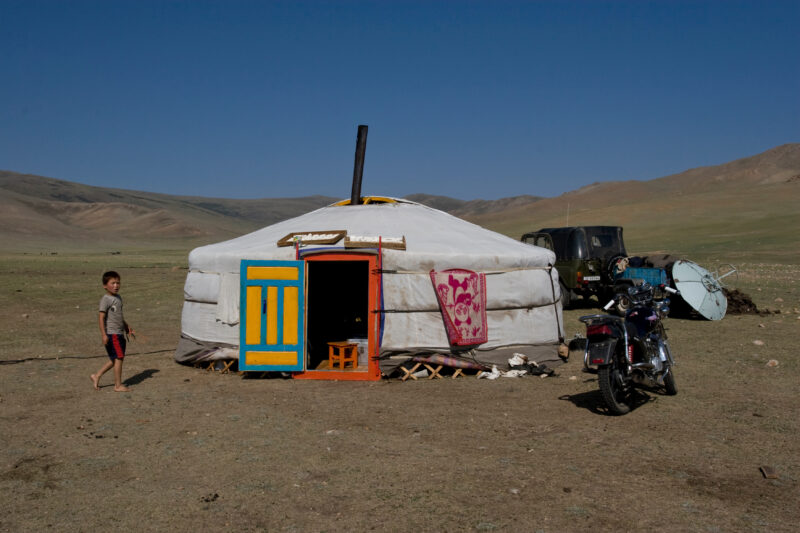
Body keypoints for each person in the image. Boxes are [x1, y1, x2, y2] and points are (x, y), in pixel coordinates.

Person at [91, 271, 134, 392]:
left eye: (118, 283)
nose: (116, 286)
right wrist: (104, 335)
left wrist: (126, 327)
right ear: (105, 285)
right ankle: (118, 385)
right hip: (112, 334)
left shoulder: (118, 298)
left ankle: (97, 375)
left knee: (115, 358)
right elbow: (101, 317)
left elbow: (119, 316)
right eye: (112, 283)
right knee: (119, 358)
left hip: (119, 333)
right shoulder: (106, 299)